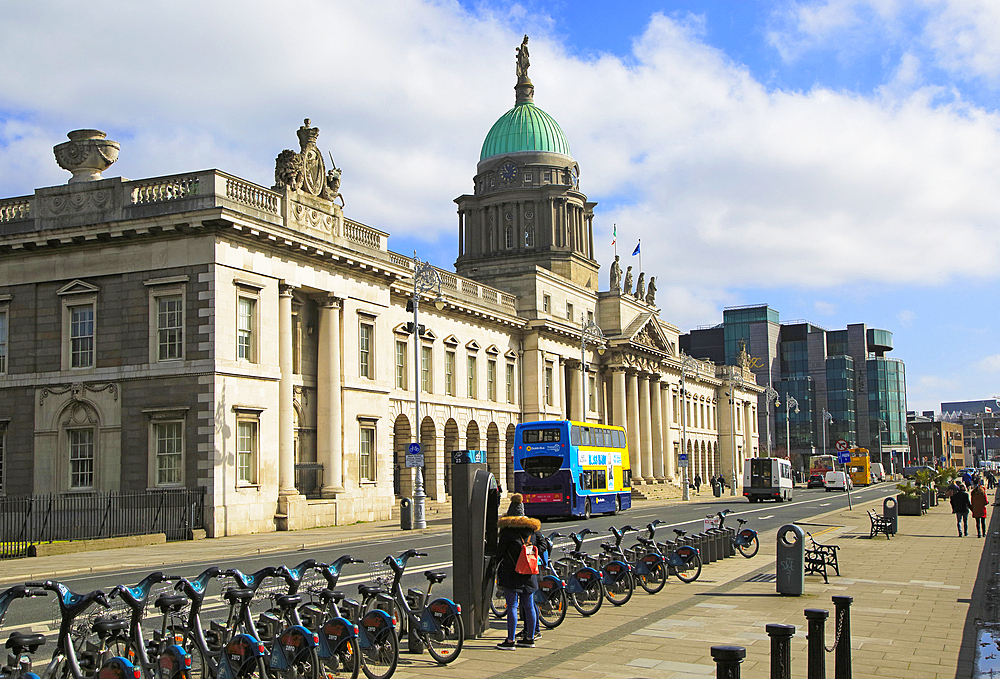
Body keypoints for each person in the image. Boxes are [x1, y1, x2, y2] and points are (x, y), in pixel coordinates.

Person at [495, 493, 541, 650]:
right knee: (529, 606)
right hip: (529, 573)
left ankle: (510, 640)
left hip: (512, 573)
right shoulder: (531, 531)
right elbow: (542, 545)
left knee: (512, 606)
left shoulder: (507, 532)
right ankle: (530, 638)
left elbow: (499, 553)